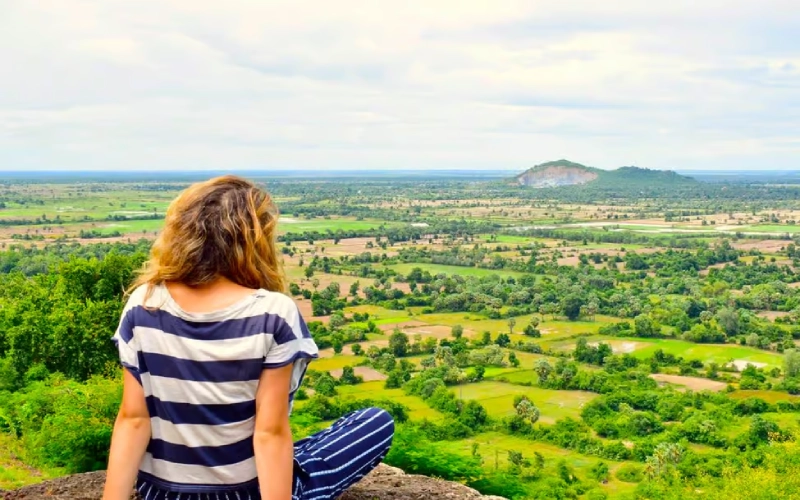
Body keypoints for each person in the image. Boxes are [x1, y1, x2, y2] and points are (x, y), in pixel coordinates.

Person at [102, 176, 394, 500]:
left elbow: (133, 418)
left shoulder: (144, 303)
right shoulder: (273, 313)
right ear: (252, 239)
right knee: (375, 422)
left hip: (161, 493)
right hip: (241, 494)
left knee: (297, 447)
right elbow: (269, 434)